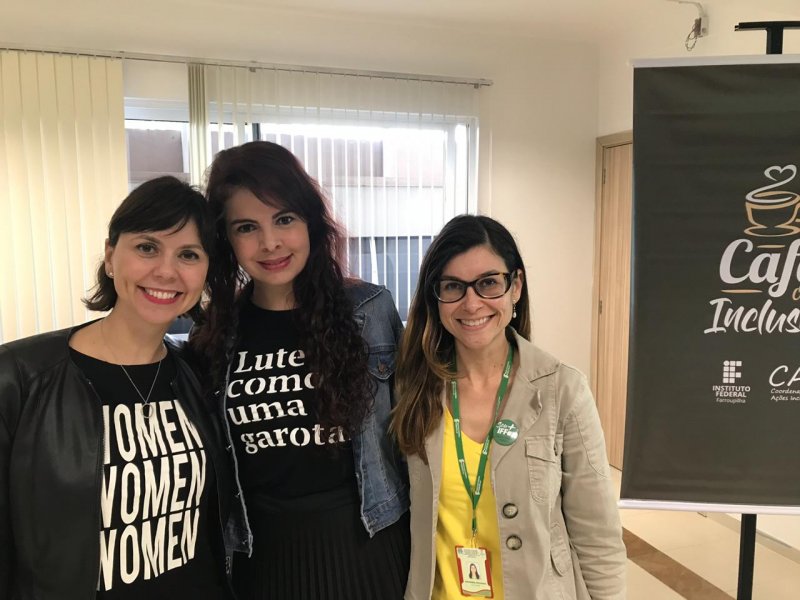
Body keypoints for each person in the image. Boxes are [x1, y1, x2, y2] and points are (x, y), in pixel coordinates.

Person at [189, 141, 410, 600]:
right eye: (247, 227)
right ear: (226, 240)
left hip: (367, 547)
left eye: (284, 219)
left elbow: (415, 429)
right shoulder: (215, 333)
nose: (270, 243)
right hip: (262, 560)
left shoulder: (369, 311)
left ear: (310, 221)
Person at [0, 176, 235, 599]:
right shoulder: (19, 378)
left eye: (188, 254)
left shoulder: (200, 375)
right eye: (147, 247)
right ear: (111, 257)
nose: (166, 271)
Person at [393, 215, 626, 600]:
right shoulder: (411, 389)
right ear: (436, 297)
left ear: (515, 286)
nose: (472, 303)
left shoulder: (562, 390)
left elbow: (598, 538)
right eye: (453, 286)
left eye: (488, 283)